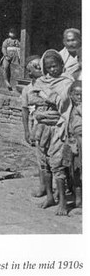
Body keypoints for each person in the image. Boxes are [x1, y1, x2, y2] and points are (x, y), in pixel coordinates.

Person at [32, 49, 74, 215]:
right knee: (44, 164)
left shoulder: (67, 82)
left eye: (55, 66)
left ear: (62, 65)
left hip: (57, 127)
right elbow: (33, 99)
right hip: (41, 128)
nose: (52, 70)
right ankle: (50, 196)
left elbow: (63, 102)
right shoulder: (41, 81)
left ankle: (63, 202)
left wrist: (46, 97)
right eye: (48, 67)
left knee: (57, 164)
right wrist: (47, 99)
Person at [20, 56, 45, 197]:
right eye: (36, 68)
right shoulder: (27, 90)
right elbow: (24, 111)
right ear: (30, 73)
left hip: (53, 125)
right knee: (41, 158)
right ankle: (43, 187)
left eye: (41, 66)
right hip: (36, 126)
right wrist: (27, 131)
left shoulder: (50, 85)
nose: (40, 69)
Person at [65, 80, 82, 212]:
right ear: (71, 94)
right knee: (74, 171)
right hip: (73, 141)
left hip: (82, 141)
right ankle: (78, 200)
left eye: (82, 94)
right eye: (77, 94)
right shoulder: (70, 108)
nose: (80, 97)